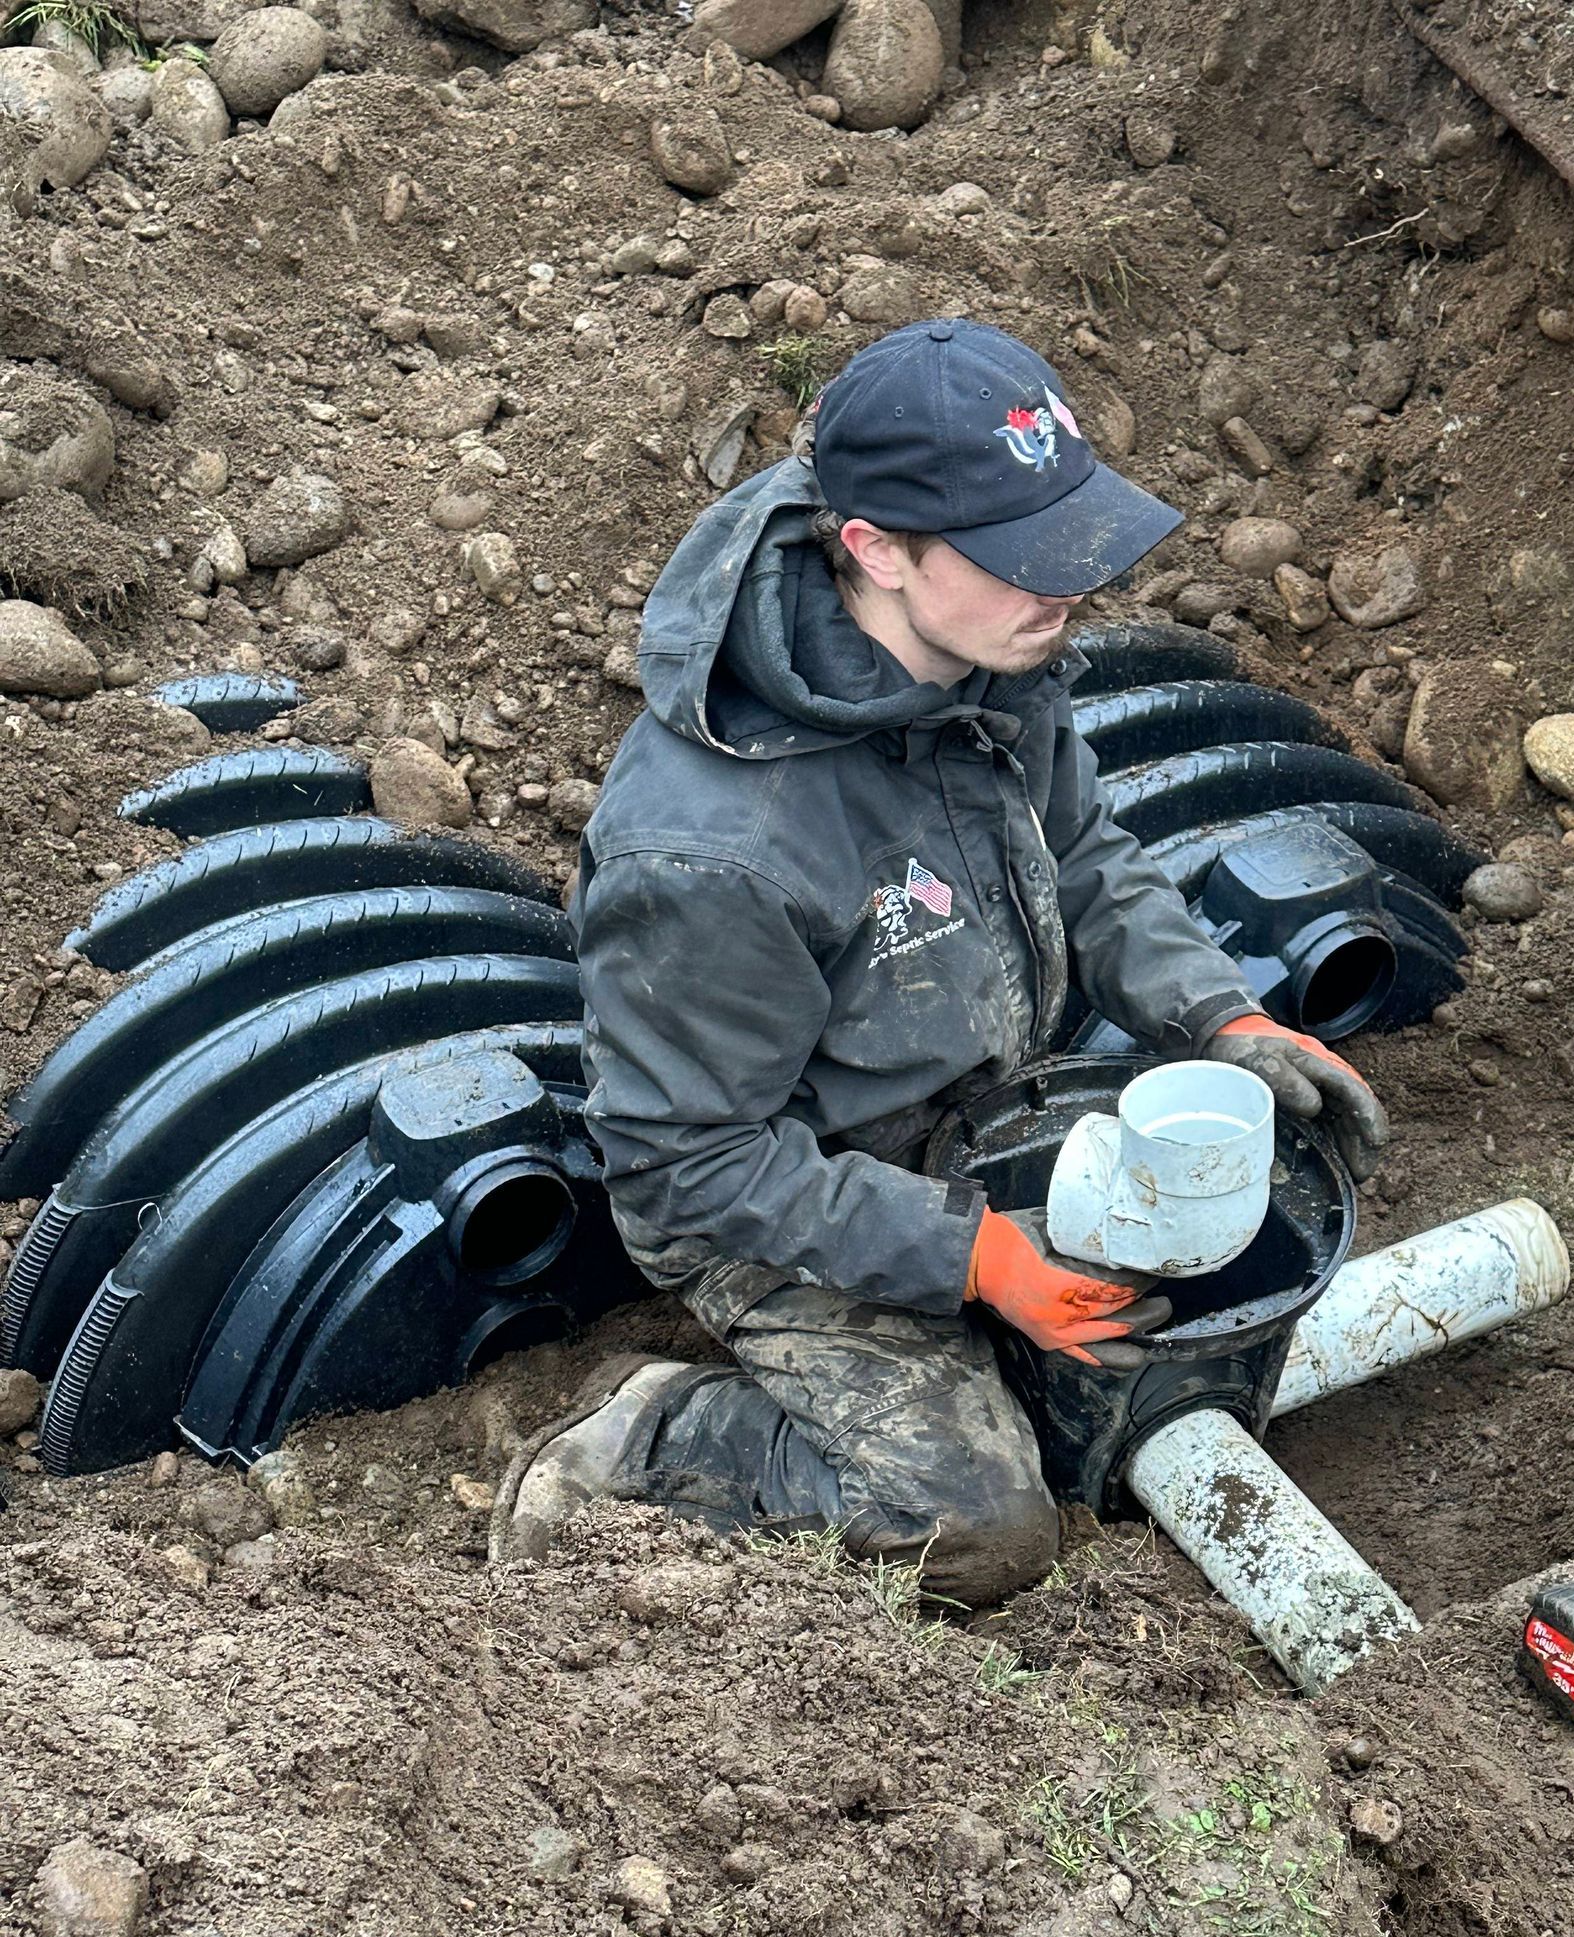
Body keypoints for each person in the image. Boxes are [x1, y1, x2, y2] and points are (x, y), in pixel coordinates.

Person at [493, 320, 1387, 1601]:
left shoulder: (987, 647)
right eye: (1020, 555)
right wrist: (975, 1257)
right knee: (975, 1525)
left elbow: (1081, 852)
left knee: (1200, 1269)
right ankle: (651, 1441)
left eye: (1066, 538)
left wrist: (1220, 1018)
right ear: (876, 550)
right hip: (775, 1194)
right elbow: (683, 1163)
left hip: (971, 1097)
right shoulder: (714, 855)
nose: (1063, 587)